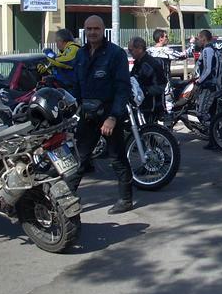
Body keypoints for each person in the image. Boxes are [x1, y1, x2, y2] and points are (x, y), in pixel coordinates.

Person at [71, 15, 134, 214]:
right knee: (79, 158)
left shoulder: (116, 54)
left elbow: (123, 89)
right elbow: (76, 85)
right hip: (87, 115)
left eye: (96, 28)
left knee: (117, 158)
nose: (92, 32)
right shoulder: (80, 54)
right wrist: (76, 108)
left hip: (109, 115)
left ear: (103, 29)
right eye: (88, 29)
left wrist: (113, 117)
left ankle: (125, 199)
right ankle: (67, 199)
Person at [147, 28, 189, 111]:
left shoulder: (149, 51)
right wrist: (192, 45)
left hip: (152, 85)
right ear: (160, 39)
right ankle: (167, 122)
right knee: (168, 107)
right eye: (166, 36)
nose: (167, 38)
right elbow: (182, 56)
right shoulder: (166, 50)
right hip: (165, 85)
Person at [195, 29, 222, 150]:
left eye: (199, 38)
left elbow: (207, 70)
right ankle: (215, 140)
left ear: (203, 38)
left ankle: (217, 136)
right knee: (212, 113)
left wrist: (199, 81)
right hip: (215, 86)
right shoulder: (214, 50)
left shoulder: (207, 50)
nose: (198, 40)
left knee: (202, 113)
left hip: (209, 86)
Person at [129, 36, 168, 124]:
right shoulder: (138, 63)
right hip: (140, 104)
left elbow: (161, 85)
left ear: (139, 49)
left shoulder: (150, 63)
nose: (130, 52)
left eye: (131, 50)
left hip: (151, 106)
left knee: (148, 132)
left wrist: (144, 91)